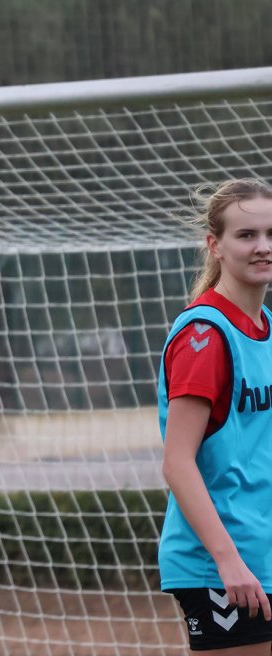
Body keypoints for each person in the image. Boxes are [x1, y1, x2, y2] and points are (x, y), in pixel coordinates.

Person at [158, 178, 272, 654]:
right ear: (215, 246)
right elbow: (177, 463)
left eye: (271, 234)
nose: (263, 247)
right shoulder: (205, 335)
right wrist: (228, 561)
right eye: (246, 235)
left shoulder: (267, 329)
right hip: (224, 566)